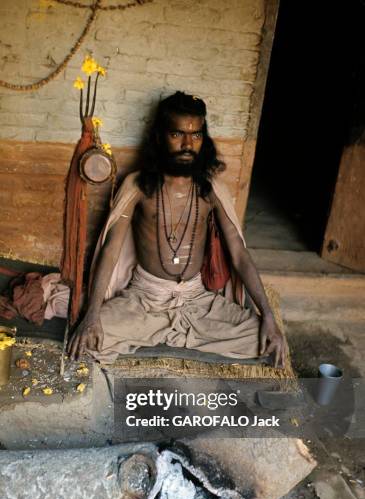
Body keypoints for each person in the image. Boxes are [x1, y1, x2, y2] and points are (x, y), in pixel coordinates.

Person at [68, 91, 286, 366]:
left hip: (198, 300)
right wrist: (92, 315)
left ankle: (169, 335)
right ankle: (168, 334)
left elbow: (239, 253)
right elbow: (111, 250)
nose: (187, 144)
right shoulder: (138, 185)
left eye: (195, 136)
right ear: (160, 137)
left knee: (265, 339)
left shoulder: (211, 189)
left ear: (203, 140)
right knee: (89, 341)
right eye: (177, 134)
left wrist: (267, 314)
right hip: (145, 299)